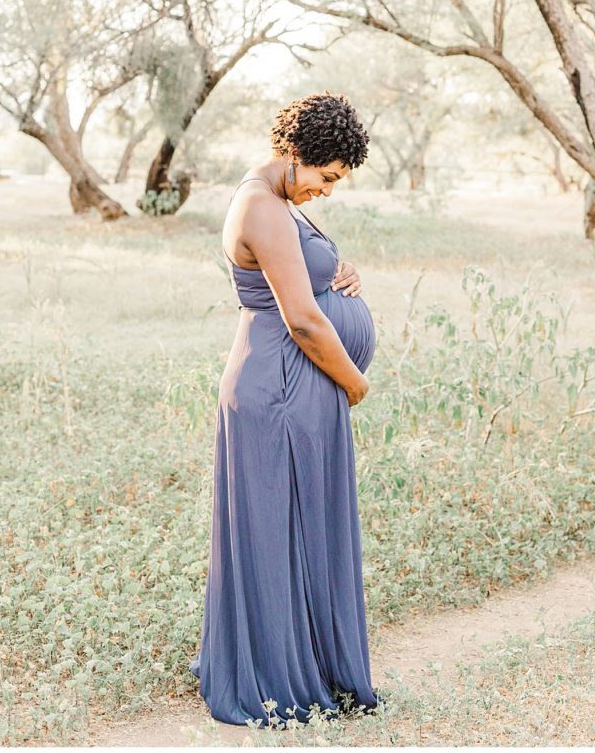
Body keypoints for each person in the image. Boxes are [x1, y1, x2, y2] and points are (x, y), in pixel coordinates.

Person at [189, 91, 383, 728]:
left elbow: (305, 282)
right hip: (277, 392)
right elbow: (301, 319)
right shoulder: (263, 207)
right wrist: (353, 383)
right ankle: (276, 677)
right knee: (277, 536)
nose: (328, 191)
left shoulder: (279, 202)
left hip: (291, 388)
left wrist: (339, 272)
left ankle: (304, 659)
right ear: (295, 156)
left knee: (296, 534)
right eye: (326, 178)